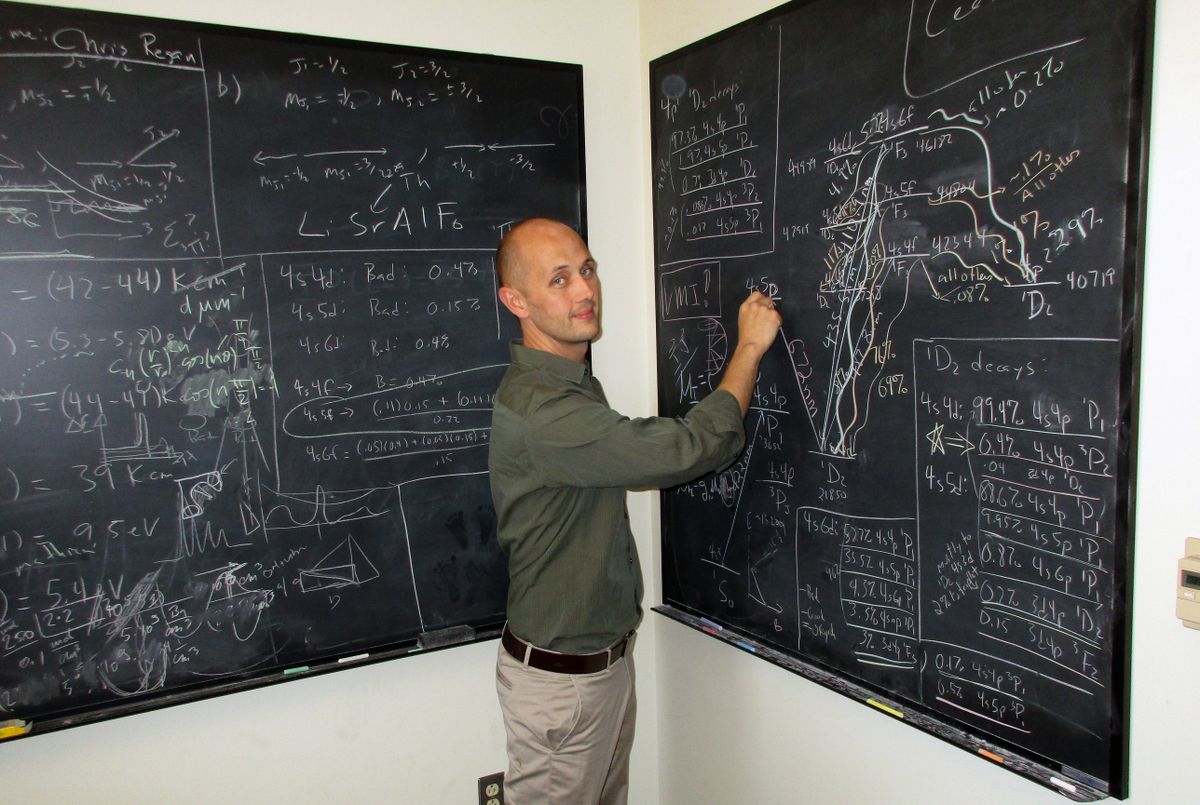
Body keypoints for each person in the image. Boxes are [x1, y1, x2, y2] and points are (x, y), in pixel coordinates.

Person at [488, 217, 781, 804]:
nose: (584, 291)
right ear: (515, 300)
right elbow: (690, 447)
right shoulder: (546, 412)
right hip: (564, 688)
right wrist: (749, 348)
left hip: (598, 668)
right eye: (559, 280)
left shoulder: (568, 384)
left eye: (587, 269)